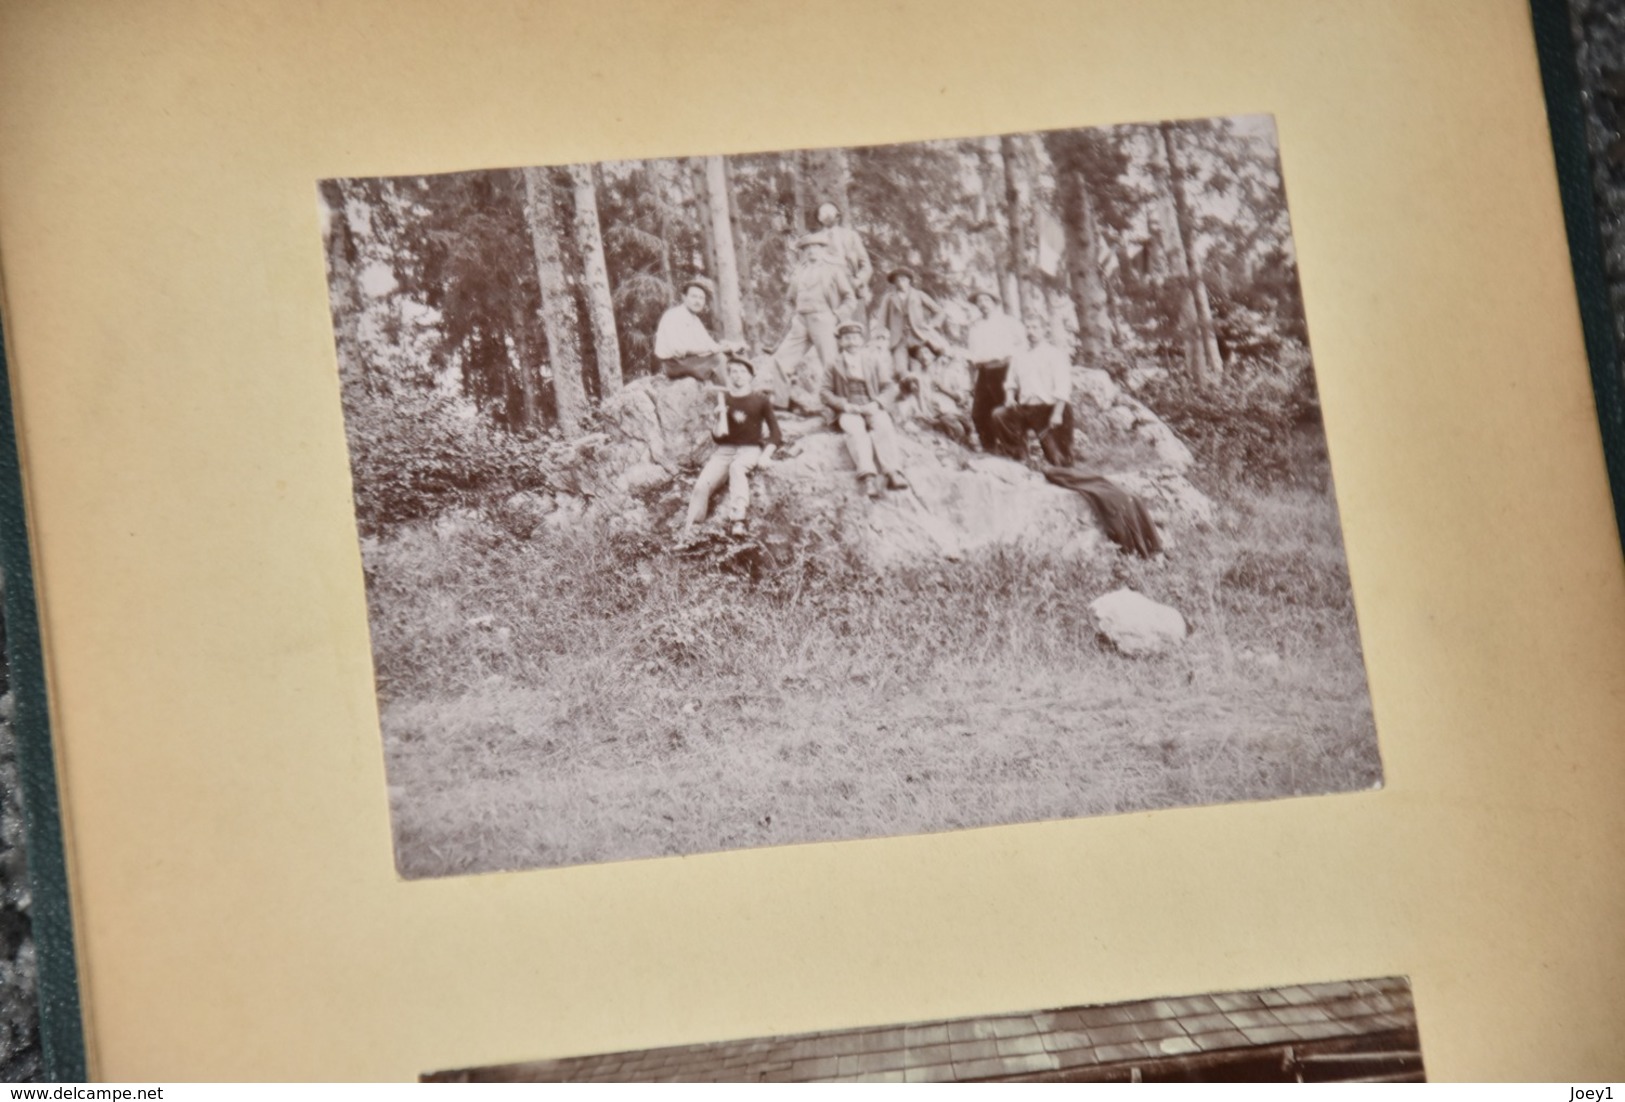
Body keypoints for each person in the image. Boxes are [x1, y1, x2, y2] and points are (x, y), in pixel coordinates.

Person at [681, 356, 783, 540]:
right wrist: (718, 419)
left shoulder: (761, 400)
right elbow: (719, 437)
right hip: (725, 450)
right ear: (729, 375)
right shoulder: (724, 399)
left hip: (750, 449)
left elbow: (776, 433)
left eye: (743, 371)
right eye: (734, 371)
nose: (738, 376)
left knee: (737, 468)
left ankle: (738, 520)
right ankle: (691, 532)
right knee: (701, 486)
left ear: (750, 376)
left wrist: (766, 455)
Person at [822, 321, 909, 498]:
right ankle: (868, 476)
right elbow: (824, 392)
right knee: (855, 431)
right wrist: (844, 405)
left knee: (884, 425)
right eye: (847, 338)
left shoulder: (873, 360)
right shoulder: (833, 363)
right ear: (840, 342)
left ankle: (892, 471)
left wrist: (877, 403)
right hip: (849, 408)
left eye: (855, 338)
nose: (852, 342)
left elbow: (889, 387)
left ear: (861, 340)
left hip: (871, 405)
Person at [771, 233, 855, 413]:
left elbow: (850, 298)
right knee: (780, 360)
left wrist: (836, 316)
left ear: (823, 249)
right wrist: (793, 315)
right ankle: (780, 404)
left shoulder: (833, 270)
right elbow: (789, 299)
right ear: (803, 253)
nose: (811, 252)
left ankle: (839, 408)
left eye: (815, 247)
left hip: (823, 319)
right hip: (800, 322)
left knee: (831, 364)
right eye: (807, 249)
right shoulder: (799, 272)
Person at [993, 315, 1076, 467]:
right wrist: (1010, 397)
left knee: (1059, 461)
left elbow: (1063, 387)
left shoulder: (1054, 354)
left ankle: (1062, 465)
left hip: (1050, 409)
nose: (1031, 332)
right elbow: (1011, 382)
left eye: (1035, 328)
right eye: (1028, 328)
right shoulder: (1019, 355)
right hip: (1026, 409)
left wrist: (1057, 414)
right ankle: (1019, 457)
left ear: (1044, 331)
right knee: (1000, 415)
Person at [963, 289, 1026, 452]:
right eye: (979, 301)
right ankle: (989, 449)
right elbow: (972, 356)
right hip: (984, 372)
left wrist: (1016, 373)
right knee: (979, 413)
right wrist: (972, 381)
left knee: (1006, 411)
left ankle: (1016, 451)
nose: (983, 304)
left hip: (1005, 370)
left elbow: (1022, 346)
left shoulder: (1009, 322)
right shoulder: (975, 327)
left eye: (986, 300)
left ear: (994, 303)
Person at [654, 276, 743, 383]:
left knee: (731, 357)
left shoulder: (695, 320)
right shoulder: (674, 316)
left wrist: (727, 347)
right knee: (719, 359)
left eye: (701, 298)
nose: (698, 301)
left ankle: (739, 391)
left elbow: (709, 344)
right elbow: (680, 350)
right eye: (694, 296)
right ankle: (731, 396)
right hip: (674, 364)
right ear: (684, 297)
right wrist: (715, 350)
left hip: (689, 361)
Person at [877, 267, 947, 383]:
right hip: (898, 339)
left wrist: (931, 325)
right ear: (894, 282)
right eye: (897, 280)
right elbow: (881, 318)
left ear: (909, 280)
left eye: (903, 279)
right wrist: (880, 335)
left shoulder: (918, 295)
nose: (900, 282)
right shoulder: (889, 298)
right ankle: (907, 394)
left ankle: (929, 393)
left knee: (924, 366)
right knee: (900, 370)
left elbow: (939, 312)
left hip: (918, 337)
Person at [815, 201, 872, 323]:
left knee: (853, 329)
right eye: (823, 213)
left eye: (830, 212)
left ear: (837, 216)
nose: (827, 216)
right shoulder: (815, 240)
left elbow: (866, 265)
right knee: (829, 328)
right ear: (819, 218)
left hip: (850, 285)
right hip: (826, 289)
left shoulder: (850, 236)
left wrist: (858, 281)